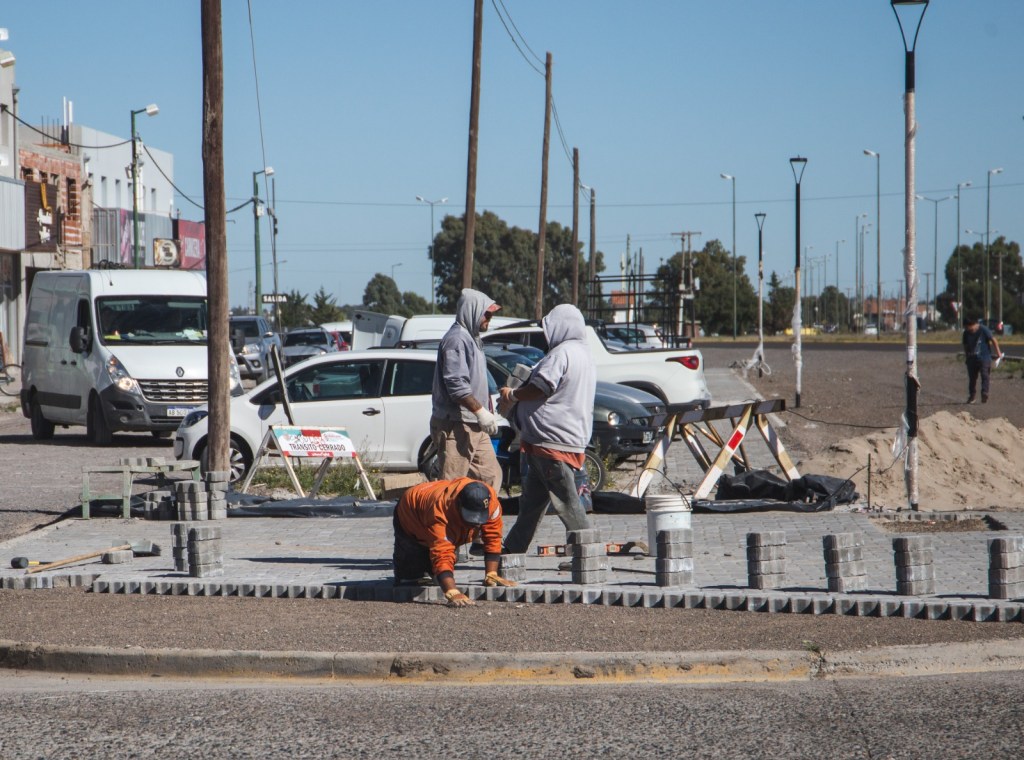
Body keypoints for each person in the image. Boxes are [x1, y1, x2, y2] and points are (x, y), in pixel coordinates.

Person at [499, 303, 596, 554]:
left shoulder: (561, 353)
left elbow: (541, 387)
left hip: (551, 442)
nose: (546, 334)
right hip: (555, 440)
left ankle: (587, 553)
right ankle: (512, 550)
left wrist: (513, 394)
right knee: (531, 504)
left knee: (567, 502)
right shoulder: (583, 353)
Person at [392, 477, 515, 607]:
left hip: (442, 517)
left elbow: (493, 535)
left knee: (439, 574)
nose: (475, 523)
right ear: (458, 504)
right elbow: (442, 553)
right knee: (410, 577)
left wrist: (491, 573)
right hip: (411, 513)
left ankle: (431, 571)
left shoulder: (491, 503)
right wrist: (452, 592)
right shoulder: (439, 511)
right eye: (470, 517)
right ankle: (410, 572)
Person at [430, 288, 503, 491]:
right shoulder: (457, 339)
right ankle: (444, 522)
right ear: (473, 311)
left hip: (473, 424)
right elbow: (456, 384)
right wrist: (480, 412)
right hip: (455, 424)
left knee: (491, 476)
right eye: (487, 314)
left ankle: (480, 521)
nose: (490, 319)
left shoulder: (472, 339)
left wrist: (485, 412)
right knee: (451, 485)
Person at [962, 317, 1002, 404]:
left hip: (984, 357)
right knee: (972, 378)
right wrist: (967, 357)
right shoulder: (966, 333)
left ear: (973, 324)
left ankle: (985, 393)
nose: (968, 329)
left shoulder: (983, 329)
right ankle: (972, 396)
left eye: (968, 327)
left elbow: (993, 340)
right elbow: (965, 345)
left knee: (985, 375)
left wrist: (998, 353)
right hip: (971, 358)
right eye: (966, 328)